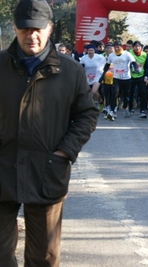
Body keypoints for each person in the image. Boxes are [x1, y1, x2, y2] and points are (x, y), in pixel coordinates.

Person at [0, 1, 99, 266]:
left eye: (37, 28)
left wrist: (65, 151)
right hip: (2, 171)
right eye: (24, 28)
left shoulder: (70, 71)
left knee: (43, 257)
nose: (31, 35)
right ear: (14, 27)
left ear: (50, 28)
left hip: (47, 172)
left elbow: (87, 114)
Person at [100, 40, 139, 118]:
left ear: (121, 47)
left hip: (126, 78)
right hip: (116, 78)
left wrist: (136, 69)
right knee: (114, 94)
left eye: (118, 47)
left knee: (126, 95)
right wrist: (103, 75)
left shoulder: (127, 54)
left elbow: (133, 63)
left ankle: (125, 106)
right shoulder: (111, 55)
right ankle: (112, 111)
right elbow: (107, 65)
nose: (116, 49)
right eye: (115, 47)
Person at [130, 40, 148, 118]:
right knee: (130, 93)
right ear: (133, 47)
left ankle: (143, 110)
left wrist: (146, 77)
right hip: (131, 76)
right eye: (135, 46)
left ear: (141, 47)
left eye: (139, 46)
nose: (137, 48)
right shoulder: (129, 53)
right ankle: (130, 108)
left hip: (141, 76)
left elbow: (146, 67)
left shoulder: (144, 55)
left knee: (143, 93)